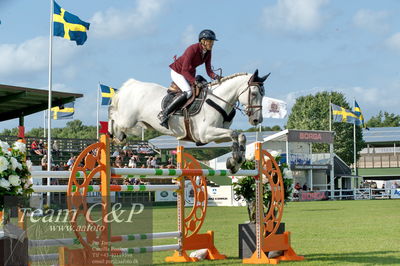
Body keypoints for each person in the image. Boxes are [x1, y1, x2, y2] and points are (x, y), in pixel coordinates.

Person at [158, 29, 220, 129]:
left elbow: (208, 70)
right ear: (203, 41)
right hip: (178, 72)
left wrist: (216, 77)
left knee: (204, 88)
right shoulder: (192, 49)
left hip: (189, 72)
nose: (212, 44)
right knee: (188, 92)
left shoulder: (208, 52)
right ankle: (164, 114)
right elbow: (184, 70)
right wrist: (194, 81)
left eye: (212, 42)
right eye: (210, 41)